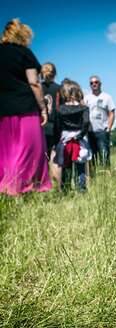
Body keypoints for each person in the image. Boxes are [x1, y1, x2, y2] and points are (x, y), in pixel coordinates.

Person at [0, 18, 52, 195]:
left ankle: (5, 189)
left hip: (2, 110)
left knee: (5, 153)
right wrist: (43, 108)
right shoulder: (24, 53)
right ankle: (17, 189)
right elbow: (34, 83)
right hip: (25, 108)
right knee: (30, 150)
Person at [53, 80, 91, 193]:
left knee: (66, 166)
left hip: (65, 139)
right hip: (80, 139)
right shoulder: (84, 108)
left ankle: (65, 190)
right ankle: (81, 190)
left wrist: (56, 142)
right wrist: (80, 136)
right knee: (80, 167)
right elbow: (86, 123)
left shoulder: (60, 109)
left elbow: (57, 126)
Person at [84, 75, 115, 169]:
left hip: (102, 131)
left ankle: (105, 178)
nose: (94, 84)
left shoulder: (107, 97)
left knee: (104, 156)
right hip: (89, 132)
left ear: (100, 84)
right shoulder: (86, 97)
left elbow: (112, 112)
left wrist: (108, 127)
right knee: (91, 157)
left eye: (96, 82)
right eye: (91, 83)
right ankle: (92, 178)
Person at [41, 62, 60, 158]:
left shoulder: (38, 88)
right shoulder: (59, 88)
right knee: (54, 156)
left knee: (42, 155)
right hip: (55, 126)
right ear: (55, 73)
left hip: (39, 125)